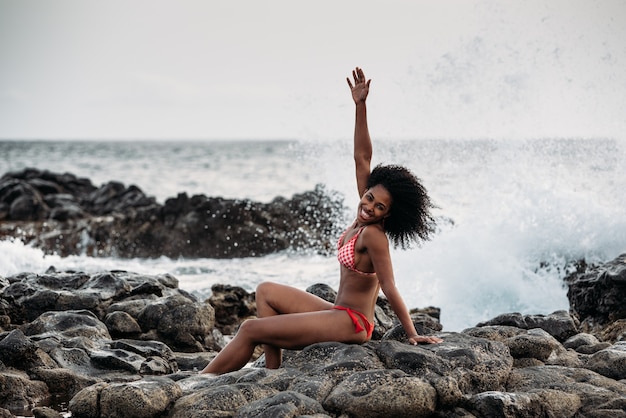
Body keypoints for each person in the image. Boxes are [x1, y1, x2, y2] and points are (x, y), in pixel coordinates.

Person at [200, 67, 443, 375]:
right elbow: (362, 157)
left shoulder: (374, 237)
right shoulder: (363, 216)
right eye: (369, 198)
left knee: (249, 329)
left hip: (353, 323)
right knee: (265, 291)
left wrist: (411, 333)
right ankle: (273, 370)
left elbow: (390, 286)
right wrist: (360, 106)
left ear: (388, 214)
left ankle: (199, 381)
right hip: (338, 311)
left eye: (379, 207)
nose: (368, 207)